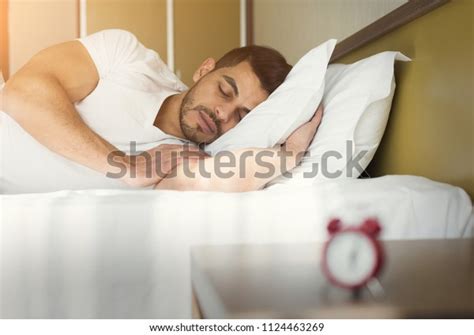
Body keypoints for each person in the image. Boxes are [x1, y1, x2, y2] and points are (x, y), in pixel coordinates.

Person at [1, 29, 322, 193]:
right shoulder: (127, 56)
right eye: (225, 90)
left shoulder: (187, 159)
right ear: (204, 70)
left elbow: (223, 181)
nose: (223, 113)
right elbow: (22, 93)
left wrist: (290, 154)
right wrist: (126, 166)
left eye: (241, 116)